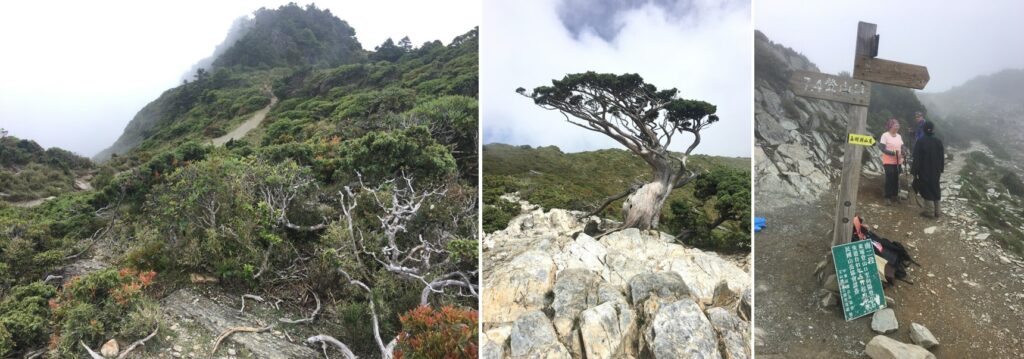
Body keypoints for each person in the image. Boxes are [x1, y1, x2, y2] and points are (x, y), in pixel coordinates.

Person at [912, 121, 944, 218]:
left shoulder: (920, 141)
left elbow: (916, 158)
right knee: (935, 187)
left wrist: (914, 171)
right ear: (933, 129)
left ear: (924, 129)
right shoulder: (938, 141)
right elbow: (941, 157)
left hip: (924, 170)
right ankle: (937, 211)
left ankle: (929, 212)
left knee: (926, 188)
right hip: (936, 170)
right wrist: (941, 169)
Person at [879, 118, 904, 205]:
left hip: (898, 161)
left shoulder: (899, 136)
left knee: (896, 178)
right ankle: (887, 197)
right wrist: (893, 153)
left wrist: (904, 153)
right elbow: (882, 148)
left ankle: (895, 195)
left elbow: (902, 146)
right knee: (890, 177)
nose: (897, 127)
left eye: (898, 125)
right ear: (890, 126)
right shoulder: (885, 135)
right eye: (895, 125)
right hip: (888, 161)